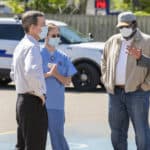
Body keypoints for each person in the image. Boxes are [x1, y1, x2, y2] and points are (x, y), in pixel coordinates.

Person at [100, 11, 150, 150]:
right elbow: (103, 61)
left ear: (134, 25)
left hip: (138, 93)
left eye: (126, 26)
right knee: (117, 132)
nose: (123, 30)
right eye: (121, 27)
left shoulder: (147, 41)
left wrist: (146, 86)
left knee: (141, 131)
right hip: (115, 93)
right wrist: (106, 80)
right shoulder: (112, 41)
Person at [10, 11, 48, 150]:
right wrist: (39, 94)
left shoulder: (21, 45)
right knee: (35, 145)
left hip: (22, 100)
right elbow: (31, 72)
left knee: (22, 145)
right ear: (32, 28)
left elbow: (13, 74)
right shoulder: (32, 47)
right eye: (42, 25)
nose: (45, 28)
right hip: (32, 102)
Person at [40, 23, 77, 150]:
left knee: (58, 138)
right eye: (53, 35)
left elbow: (67, 81)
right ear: (45, 36)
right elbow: (31, 77)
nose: (56, 38)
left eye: (58, 35)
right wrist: (48, 74)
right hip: (39, 104)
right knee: (37, 139)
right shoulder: (37, 54)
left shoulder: (63, 57)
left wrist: (55, 75)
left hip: (56, 105)